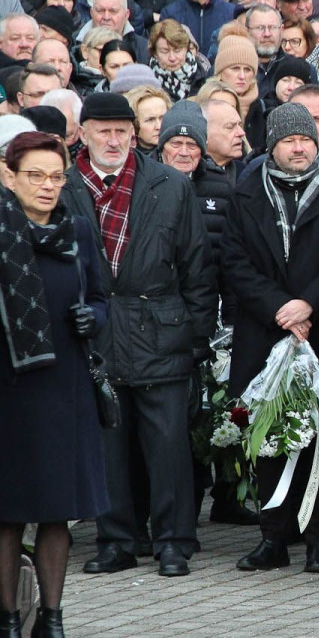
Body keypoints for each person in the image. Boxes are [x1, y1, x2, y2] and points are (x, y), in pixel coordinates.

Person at [61, 92, 216, 579]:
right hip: (94, 333)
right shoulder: (64, 187)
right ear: (83, 134)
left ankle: (173, 542)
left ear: (134, 134)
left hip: (160, 330)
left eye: (121, 131)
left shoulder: (170, 184)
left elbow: (197, 268)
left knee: (168, 448)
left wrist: (197, 339)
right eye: (102, 131)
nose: (113, 140)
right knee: (108, 449)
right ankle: (117, 542)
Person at [222, 103, 319, 574]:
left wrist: (308, 304)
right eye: (289, 141)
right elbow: (234, 262)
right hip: (265, 331)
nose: (299, 147)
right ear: (272, 147)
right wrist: (280, 309)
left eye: (305, 138)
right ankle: (274, 538)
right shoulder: (245, 196)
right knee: (269, 436)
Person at [0, 131, 107, 638]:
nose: (47, 186)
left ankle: (53, 617)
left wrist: (94, 318)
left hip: (66, 386)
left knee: (57, 512)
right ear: (8, 176)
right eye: (35, 175)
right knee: (7, 514)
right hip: (9, 388)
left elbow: (103, 297)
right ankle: (8, 620)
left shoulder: (78, 231)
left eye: (57, 176)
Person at [148, 19, 207, 101]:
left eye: (177, 50)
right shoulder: (147, 83)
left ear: (186, 49)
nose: (172, 58)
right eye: (165, 51)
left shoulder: (204, 78)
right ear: (155, 53)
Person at [126, 85, 169, 154]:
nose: (159, 126)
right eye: (150, 120)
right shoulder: (125, 156)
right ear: (134, 125)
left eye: (163, 118)